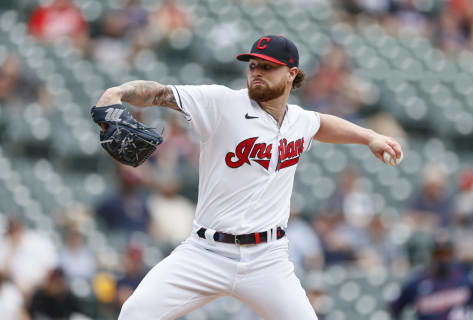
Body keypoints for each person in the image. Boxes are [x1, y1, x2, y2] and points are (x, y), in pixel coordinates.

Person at [93, 35, 403, 320]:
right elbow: (161, 94)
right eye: (253, 65)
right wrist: (118, 92)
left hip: (267, 259)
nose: (257, 72)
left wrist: (369, 137)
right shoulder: (222, 103)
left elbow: (321, 125)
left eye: (268, 67)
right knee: (135, 313)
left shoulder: (298, 120)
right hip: (205, 253)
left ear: (292, 74)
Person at [390, 232, 473, 320]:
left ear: (452, 254)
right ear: (431, 255)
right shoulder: (418, 282)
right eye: (438, 254)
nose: (443, 258)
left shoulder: (466, 279)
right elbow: (395, 308)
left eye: (446, 254)